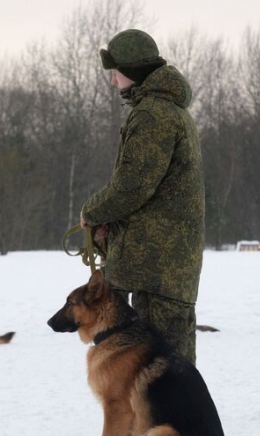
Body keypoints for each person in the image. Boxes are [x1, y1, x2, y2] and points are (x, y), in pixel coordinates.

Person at [79, 28, 204, 364]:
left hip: (157, 268)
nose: (112, 81)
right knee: (163, 367)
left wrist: (92, 212)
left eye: (115, 72)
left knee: (163, 369)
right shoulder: (167, 111)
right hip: (162, 266)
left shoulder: (153, 115)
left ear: (132, 71)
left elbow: (132, 187)